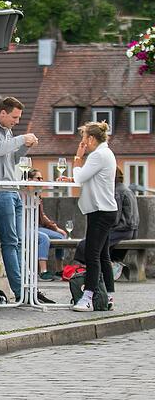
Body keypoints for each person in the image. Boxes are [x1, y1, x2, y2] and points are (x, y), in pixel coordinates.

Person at [0, 97, 39, 301]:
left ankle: (26, 289)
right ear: (2, 113)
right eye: (14, 117)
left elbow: (11, 158)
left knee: (19, 242)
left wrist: (25, 146)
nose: (16, 121)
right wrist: (21, 138)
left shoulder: (7, 130)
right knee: (11, 243)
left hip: (12, 190)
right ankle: (21, 292)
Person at [61, 122, 117, 312]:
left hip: (100, 211)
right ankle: (108, 296)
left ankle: (88, 297)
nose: (82, 142)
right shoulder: (104, 153)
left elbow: (80, 176)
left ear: (91, 139)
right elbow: (89, 178)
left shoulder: (98, 155)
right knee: (102, 255)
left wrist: (77, 158)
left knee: (92, 254)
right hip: (105, 210)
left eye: (83, 138)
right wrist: (76, 176)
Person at [27, 169, 67, 281]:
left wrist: (56, 228)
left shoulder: (37, 195)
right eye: (38, 178)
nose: (41, 181)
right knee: (44, 238)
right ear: (29, 180)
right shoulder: (24, 194)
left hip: (37, 227)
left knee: (61, 237)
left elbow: (42, 216)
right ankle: (43, 272)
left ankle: (59, 270)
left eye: (42, 178)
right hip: (25, 227)